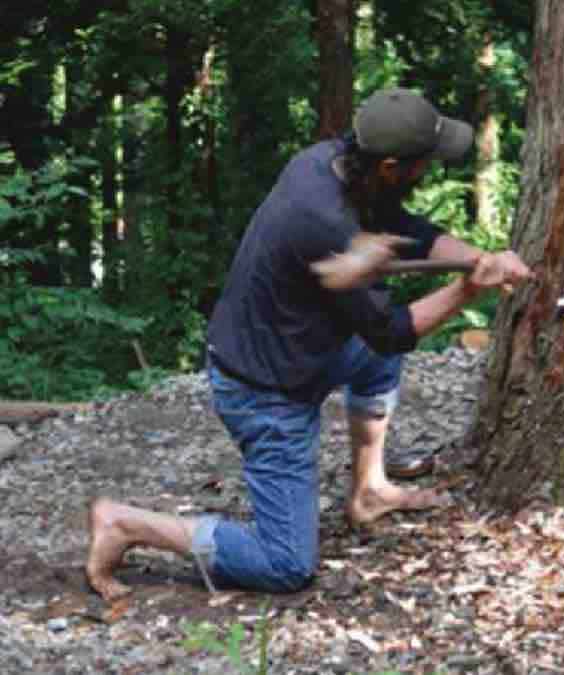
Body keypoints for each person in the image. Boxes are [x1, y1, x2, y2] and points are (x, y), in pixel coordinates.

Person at [85, 88, 532, 600]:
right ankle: (125, 524)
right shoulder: (324, 222)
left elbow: (403, 227)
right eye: (424, 162)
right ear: (390, 166)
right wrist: (470, 287)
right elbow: (390, 329)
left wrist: (481, 258)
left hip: (303, 348)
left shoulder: (333, 163)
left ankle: (369, 491)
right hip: (265, 391)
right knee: (286, 565)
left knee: (377, 362)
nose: (428, 169)